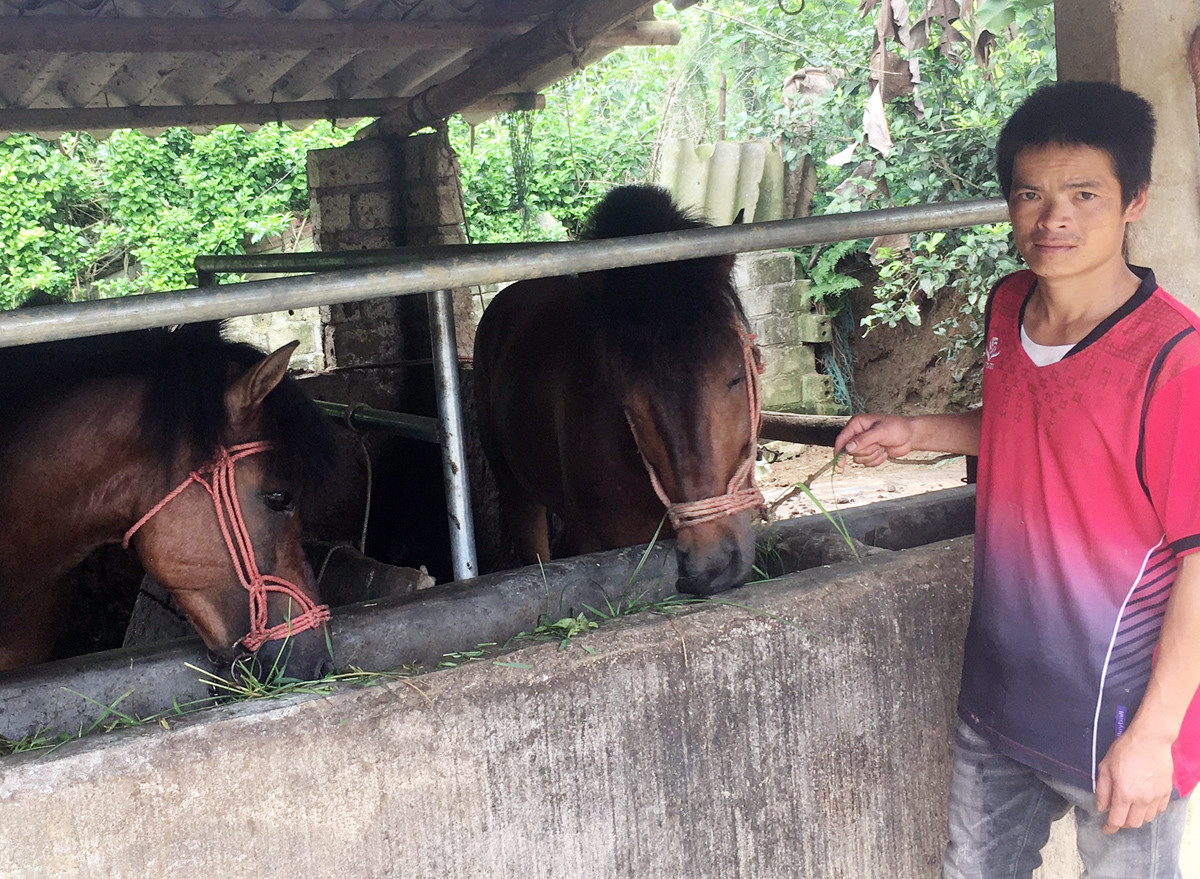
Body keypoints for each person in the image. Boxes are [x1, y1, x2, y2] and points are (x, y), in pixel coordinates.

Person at [835, 80, 1200, 878]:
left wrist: (1156, 735)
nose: (1052, 218)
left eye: (1083, 194)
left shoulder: (1177, 362)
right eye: (1030, 194)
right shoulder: (1010, 305)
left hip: (1120, 719)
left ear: (1134, 200)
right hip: (998, 704)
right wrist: (915, 432)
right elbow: (1026, 424)